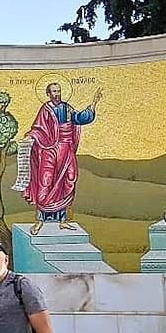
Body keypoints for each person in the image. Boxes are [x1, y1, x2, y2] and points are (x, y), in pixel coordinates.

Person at [21, 82, 103, 235]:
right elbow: (38, 128)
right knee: (46, 181)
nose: (57, 94)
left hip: (66, 149)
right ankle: (40, 220)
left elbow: (79, 118)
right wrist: (30, 136)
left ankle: (63, 220)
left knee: (70, 178)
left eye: (58, 91)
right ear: (48, 94)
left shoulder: (67, 108)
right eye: (54, 91)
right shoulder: (45, 109)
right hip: (50, 150)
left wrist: (94, 103)